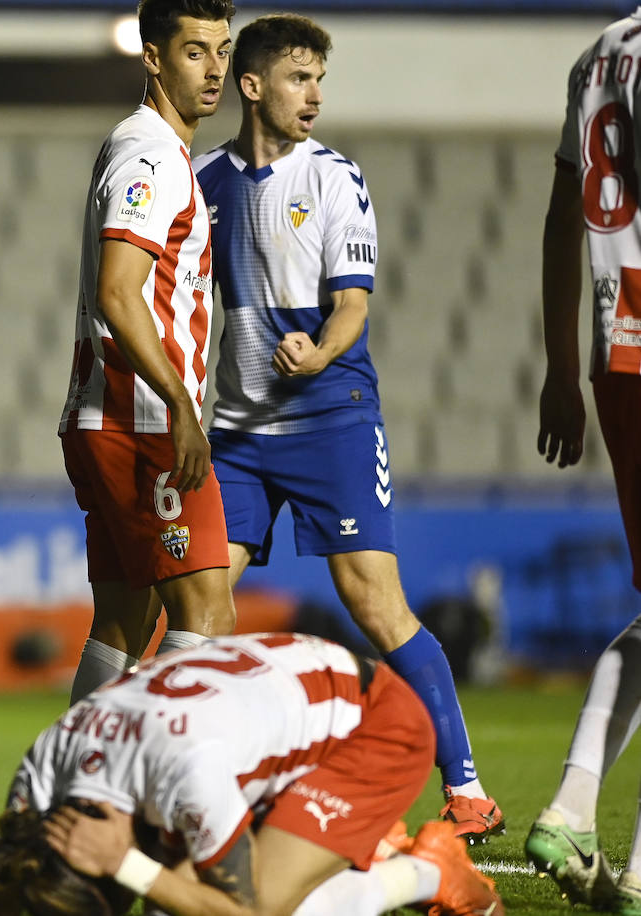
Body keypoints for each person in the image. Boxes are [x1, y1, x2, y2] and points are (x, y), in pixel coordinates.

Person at [191, 13, 502, 844]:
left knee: (376, 605)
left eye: (319, 79)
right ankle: (209, 786)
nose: (314, 95)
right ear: (252, 86)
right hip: (236, 437)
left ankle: (466, 786)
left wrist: (318, 354)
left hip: (330, 417)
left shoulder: (335, 178)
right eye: (298, 78)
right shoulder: (201, 180)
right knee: (200, 604)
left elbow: (353, 308)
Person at [0, 633, 503, 916]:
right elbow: (33, 880)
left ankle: (425, 872)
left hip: (375, 724)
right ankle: (352, 845)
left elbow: (243, 914)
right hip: (272, 697)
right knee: (173, 897)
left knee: (261, 903)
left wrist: (128, 865)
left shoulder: (186, 774)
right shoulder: (46, 764)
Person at [59, 0, 238, 707]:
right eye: (196, 51)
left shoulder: (142, 146)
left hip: (107, 417)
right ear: (154, 57)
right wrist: (181, 408)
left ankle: (69, 797)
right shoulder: (152, 155)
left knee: (127, 621)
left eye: (223, 50)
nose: (216, 68)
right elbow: (120, 291)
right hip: (142, 421)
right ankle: (157, 793)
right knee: (209, 619)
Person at [526, 7, 641, 913]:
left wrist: (565, 368)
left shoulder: (600, 52)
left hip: (617, 354)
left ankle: (577, 809)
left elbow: (566, 214)